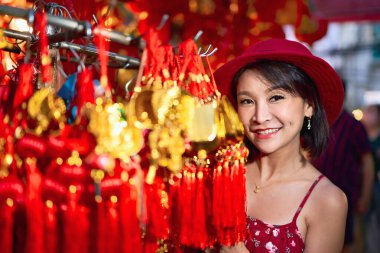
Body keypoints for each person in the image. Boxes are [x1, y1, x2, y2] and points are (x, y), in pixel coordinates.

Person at [214, 38, 348, 253]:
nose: (260, 116)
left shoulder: (327, 200)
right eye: (247, 101)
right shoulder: (224, 174)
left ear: (309, 106)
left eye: (276, 97)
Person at [311, 82, 375, 253]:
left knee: (344, 243)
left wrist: (365, 196)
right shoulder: (316, 123)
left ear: (341, 96)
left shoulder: (354, 126)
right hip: (314, 195)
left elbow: (367, 162)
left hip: (344, 195)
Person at [361, 103, 380, 253]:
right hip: (364, 184)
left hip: (378, 185)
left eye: (371, 112)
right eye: (366, 112)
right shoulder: (361, 135)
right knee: (365, 220)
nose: (367, 115)